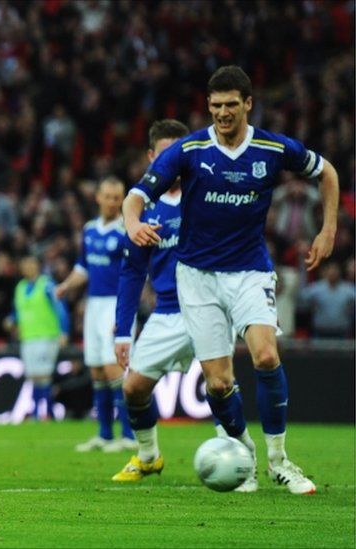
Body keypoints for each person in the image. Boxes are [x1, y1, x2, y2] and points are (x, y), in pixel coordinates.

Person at [124, 66, 339, 494]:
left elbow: (328, 172)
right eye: (216, 106)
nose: (223, 113)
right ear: (209, 106)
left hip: (249, 270)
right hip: (198, 277)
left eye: (231, 105)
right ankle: (245, 455)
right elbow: (137, 196)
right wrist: (132, 222)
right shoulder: (188, 149)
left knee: (264, 356)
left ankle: (280, 460)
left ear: (247, 104)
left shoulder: (272, 148)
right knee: (219, 383)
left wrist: (328, 229)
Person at [110, 119, 258, 490]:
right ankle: (148, 457)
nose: (173, 163)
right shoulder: (144, 208)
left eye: (179, 154)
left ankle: (244, 462)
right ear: (151, 157)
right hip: (168, 312)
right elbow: (131, 274)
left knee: (220, 385)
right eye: (165, 155)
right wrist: (122, 331)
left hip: (209, 305)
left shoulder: (206, 196)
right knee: (133, 388)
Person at [55, 176, 136, 453]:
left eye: (118, 197)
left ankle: (129, 435)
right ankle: (104, 434)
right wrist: (66, 286)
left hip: (117, 304)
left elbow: (134, 272)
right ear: (98, 198)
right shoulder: (89, 231)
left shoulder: (127, 231)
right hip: (94, 305)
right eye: (108, 196)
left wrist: (126, 311)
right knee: (97, 370)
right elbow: (83, 269)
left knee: (115, 368)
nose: (113, 202)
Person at [5, 255, 69, 420]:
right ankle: (35, 412)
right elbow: (18, 310)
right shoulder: (20, 287)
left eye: (30, 264)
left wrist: (64, 331)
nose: (27, 268)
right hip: (27, 337)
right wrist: (11, 320)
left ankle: (46, 412)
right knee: (33, 376)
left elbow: (60, 307)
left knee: (44, 375)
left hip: (46, 335)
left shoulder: (46, 285)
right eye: (25, 265)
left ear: (37, 266)